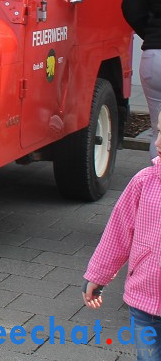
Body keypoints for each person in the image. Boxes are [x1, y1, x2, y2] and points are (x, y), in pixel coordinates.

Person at [82, 134, 161, 360]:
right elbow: (118, 232)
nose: (157, 142)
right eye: (158, 131)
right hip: (144, 298)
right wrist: (98, 275)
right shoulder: (144, 182)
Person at [122, 0, 161, 160]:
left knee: (158, 133)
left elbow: (131, 9)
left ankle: (156, 193)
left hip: (154, 57)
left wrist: (153, 35)